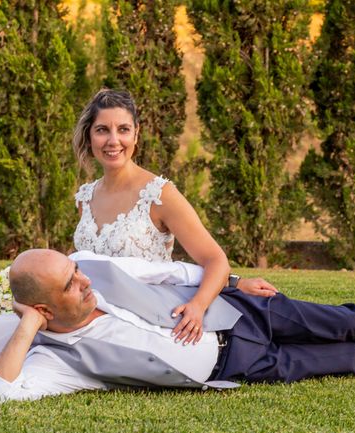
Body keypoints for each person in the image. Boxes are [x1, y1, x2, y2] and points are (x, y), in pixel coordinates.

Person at [0, 248, 355, 402]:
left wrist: (233, 282)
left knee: (349, 320)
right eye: (69, 285)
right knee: (352, 359)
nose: (83, 281)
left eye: (75, 272)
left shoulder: (95, 266)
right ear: (43, 310)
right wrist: (27, 327)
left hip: (238, 313)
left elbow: (175, 271)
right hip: (239, 362)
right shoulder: (58, 361)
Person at [71, 89, 277, 346]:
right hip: (97, 326)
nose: (113, 140)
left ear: (136, 132)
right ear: (90, 135)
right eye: (102, 130)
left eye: (123, 129)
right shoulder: (84, 198)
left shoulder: (159, 195)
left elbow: (215, 260)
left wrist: (199, 306)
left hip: (150, 322)